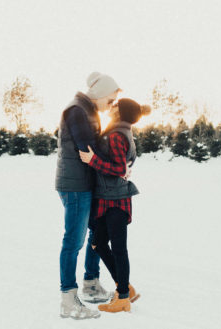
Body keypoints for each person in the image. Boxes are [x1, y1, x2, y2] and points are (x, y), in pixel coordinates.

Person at [56, 72, 120, 319]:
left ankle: (91, 283)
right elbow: (87, 147)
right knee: (74, 239)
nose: (112, 104)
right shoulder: (76, 110)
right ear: (102, 93)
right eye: (111, 99)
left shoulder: (88, 109)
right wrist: (114, 167)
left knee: (97, 231)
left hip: (86, 181)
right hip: (74, 185)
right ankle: (68, 299)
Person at [79, 98, 150, 313]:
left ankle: (123, 298)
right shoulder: (119, 130)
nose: (112, 108)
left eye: (116, 106)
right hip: (107, 198)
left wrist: (92, 160)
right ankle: (124, 285)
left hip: (116, 201)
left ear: (121, 112)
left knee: (118, 248)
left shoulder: (118, 135)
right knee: (99, 243)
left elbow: (120, 168)